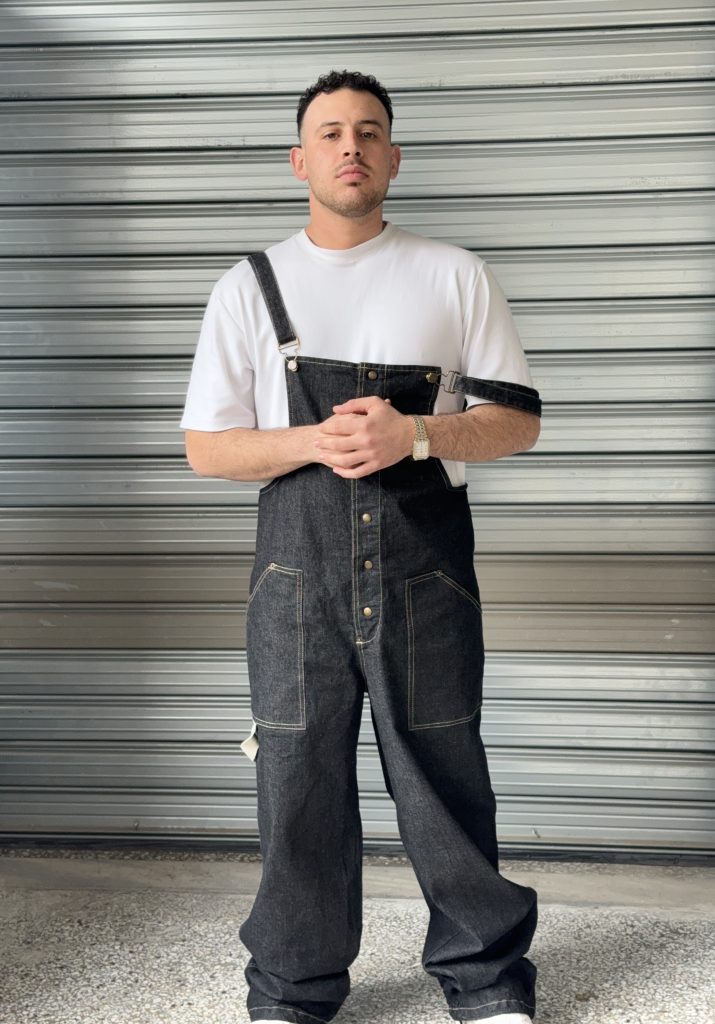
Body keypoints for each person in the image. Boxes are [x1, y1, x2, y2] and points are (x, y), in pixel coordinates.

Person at [180, 69, 541, 1024]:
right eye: (331, 132)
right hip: (294, 579)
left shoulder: (453, 273)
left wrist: (415, 435)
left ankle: (487, 982)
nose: (352, 146)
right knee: (295, 783)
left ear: (393, 157)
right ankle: (292, 989)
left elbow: (515, 423)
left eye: (369, 132)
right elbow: (206, 447)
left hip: (426, 570)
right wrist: (317, 440)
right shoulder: (248, 286)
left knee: (444, 776)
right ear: (300, 159)